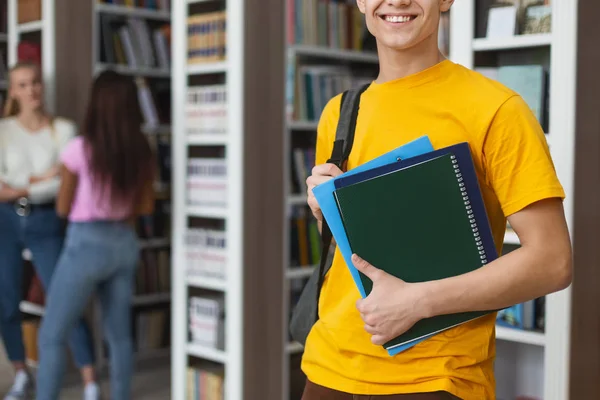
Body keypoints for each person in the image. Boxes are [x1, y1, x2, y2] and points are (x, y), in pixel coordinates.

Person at [303, 1, 573, 399]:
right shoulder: (340, 112)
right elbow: (361, 248)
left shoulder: (497, 109)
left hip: (436, 379)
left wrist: (418, 302)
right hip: (329, 367)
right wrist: (324, 208)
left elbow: (553, 261)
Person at [36, 70, 155, 400]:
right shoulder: (142, 151)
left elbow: (62, 206)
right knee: (119, 337)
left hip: (85, 245)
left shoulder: (79, 149)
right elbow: (144, 207)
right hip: (124, 245)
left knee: (51, 335)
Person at [0, 62, 98, 400]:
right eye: (23, 85)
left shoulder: (64, 130)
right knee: (7, 302)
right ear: (13, 91)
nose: (31, 91)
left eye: (36, 83)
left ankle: (90, 382)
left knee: (64, 298)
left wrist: (20, 185)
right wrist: (40, 181)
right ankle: (21, 375)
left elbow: (65, 184)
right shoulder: (3, 131)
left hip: (45, 221)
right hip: (7, 221)